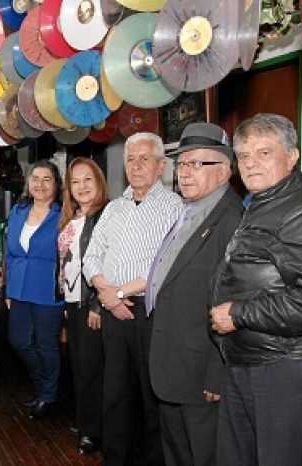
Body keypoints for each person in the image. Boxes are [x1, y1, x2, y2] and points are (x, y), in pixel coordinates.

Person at [210, 113, 302, 466]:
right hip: (252, 358)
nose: (251, 164)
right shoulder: (264, 204)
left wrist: (238, 313)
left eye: (264, 153)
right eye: (244, 155)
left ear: (292, 157)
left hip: (288, 364)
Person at [146, 123, 243, 466]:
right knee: (177, 453)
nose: (185, 173)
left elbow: (233, 301)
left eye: (197, 164)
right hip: (173, 363)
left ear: (224, 170)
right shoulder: (191, 211)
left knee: (205, 455)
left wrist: (216, 373)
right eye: (182, 164)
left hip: (201, 371)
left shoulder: (232, 219)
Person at [83, 132, 182, 466]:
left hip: (149, 312)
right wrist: (106, 293)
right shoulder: (114, 208)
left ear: (161, 165)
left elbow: (165, 265)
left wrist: (119, 293)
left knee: (153, 396)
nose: (136, 166)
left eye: (144, 159)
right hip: (112, 310)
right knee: (115, 393)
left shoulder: (174, 208)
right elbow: (91, 256)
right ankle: (115, 459)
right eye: (130, 159)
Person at [56, 157, 109, 455]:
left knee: (91, 369)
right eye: (75, 181)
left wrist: (96, 305)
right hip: (72, 301)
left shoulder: (106, 216)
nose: (82, 186)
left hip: (92, 303)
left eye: (88, 179)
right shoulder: (71, 218)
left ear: (98, 181)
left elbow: (108, 264)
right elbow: (66, 263)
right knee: (78, 367)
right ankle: (86, 420)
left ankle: (92, 431)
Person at [5, 160, 65, 420]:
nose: (40, 184)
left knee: (46, 345)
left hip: (48, 288)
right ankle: (44, 387)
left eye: (46, 179)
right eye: (35, 179)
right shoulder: (18, 211)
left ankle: (47, 396)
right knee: (18, 341)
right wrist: (8, 289)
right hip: (19, 288)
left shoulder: (63, 215)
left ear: (56, 184)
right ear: (28, 184)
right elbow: (10, 253)